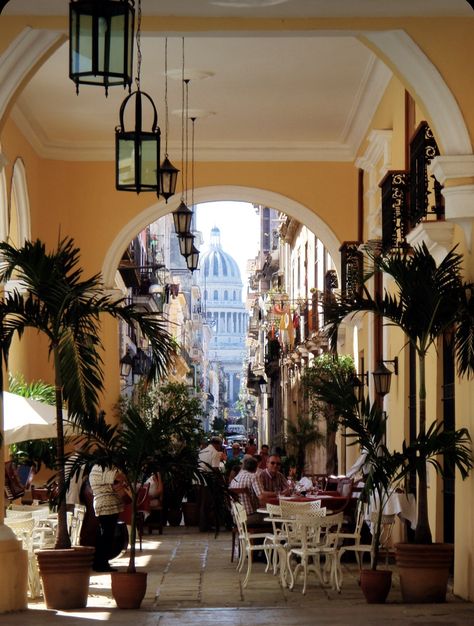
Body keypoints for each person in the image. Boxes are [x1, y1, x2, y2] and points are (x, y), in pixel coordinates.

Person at [89, 463, 127, 572]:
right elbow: (117, 477)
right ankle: (101, 564)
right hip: (106, 505)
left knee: (106, 535)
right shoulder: (103, 467)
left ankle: (101, 562)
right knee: (106, 535)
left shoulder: (96, 468)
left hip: (104, 504)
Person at [229, 456, 269, 528]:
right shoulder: (253, 476)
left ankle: (258, 538)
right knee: (275, 518)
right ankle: (269, 538)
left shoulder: (235, 479)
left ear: (243, 466)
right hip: (249, 517)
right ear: (256, 467)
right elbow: (261, 497)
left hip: (236, 518)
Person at [198, 436, 223, 531]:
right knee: (207, 504)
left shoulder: (202, 451)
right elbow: (215, 469)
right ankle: (205, 526)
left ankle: (202, 525)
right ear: (217, 444)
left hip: (199, 480)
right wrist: (221, 481)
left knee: (202, 503)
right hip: (207, 481)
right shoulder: (215, 453)